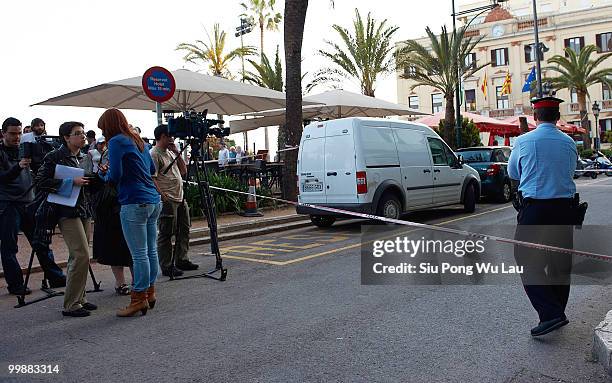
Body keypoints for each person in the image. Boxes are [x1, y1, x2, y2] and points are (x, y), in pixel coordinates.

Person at [508, 96, 579, 337]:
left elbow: (513, 172)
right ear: (558, 117)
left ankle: (551, 314)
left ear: (535, 117)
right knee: (560, 264)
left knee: (527, 261)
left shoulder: (523, 141)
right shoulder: (569, 142)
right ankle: (557, 310)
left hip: (536, 210)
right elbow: (571, 170)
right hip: (565, 209)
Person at [98, 109, 161, 317]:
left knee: (139, 254)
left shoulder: (116, 141)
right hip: (152, 199)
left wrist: (104, 174)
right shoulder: (138, 139)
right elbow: (151, 169)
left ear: (108, 126)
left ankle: (138, 298)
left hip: (133, 200)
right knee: (151, 251)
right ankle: (150, 292)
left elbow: (115, 175)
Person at [36, 121, 96, 317]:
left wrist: (97, 177)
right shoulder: (55, 156)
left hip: (83, 208)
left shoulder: (84, 156)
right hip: (65, 210)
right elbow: (41, 182)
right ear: (66, 137)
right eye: (77, 133)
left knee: (80, 255)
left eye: (83, 133)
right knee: (81, 254)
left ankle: (80, 298)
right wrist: (71, 182)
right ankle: (71, 304)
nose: (82, 136)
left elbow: (87, 181)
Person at [0, 118, 66, 295]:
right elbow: (3, 177)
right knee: (9, 246)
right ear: (3, 133)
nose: (16, 137)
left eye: (19, 133)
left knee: (41, 241)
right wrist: (19, 166)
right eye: (13, 133)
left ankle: (55, 276)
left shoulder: (27, 150)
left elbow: (41, 172)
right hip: (8, 205)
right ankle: (15, 285)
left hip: (29, 202)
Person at [150, 124, 198, 277]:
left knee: (184, 229)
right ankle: (167, 264)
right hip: (168, 198)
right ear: (163, 136)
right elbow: (153, 178)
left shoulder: (170, 153)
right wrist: (162, 196)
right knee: (166, 232)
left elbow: (183, 171)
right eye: (170, 136)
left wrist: (177, 152)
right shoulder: (154, 154)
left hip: (179, 197)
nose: (173, 139)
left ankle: (181, 259)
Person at [89, 141, 133, 295]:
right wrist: (104, 174)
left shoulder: (132, 152)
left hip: (126, 203)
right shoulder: (112, 150)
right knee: (114, 246)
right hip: (110, 208)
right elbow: (99, 179)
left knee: (132, 246)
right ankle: (120, 282)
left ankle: (137, 280)